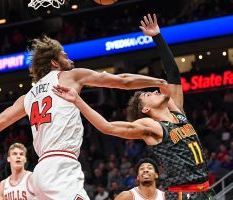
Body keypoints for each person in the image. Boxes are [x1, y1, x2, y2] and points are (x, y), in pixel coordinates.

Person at [0, 34, 166, 199]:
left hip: (42, 170)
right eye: (65, 56)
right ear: (54, 62)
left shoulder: (26, 97)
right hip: (60, 167)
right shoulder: (70, 76)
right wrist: (158, 81)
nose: (71, 60)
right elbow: (122, 80)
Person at [52, 14, 216, 200]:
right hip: (182, 194)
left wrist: (157, 37)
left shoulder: (178, 113)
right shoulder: (151, 127)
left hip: (206, 190)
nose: (154, 91)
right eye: (148, 94)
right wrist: (77, 100)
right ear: (146, 110)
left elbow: (173, 73)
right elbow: (108, 127)